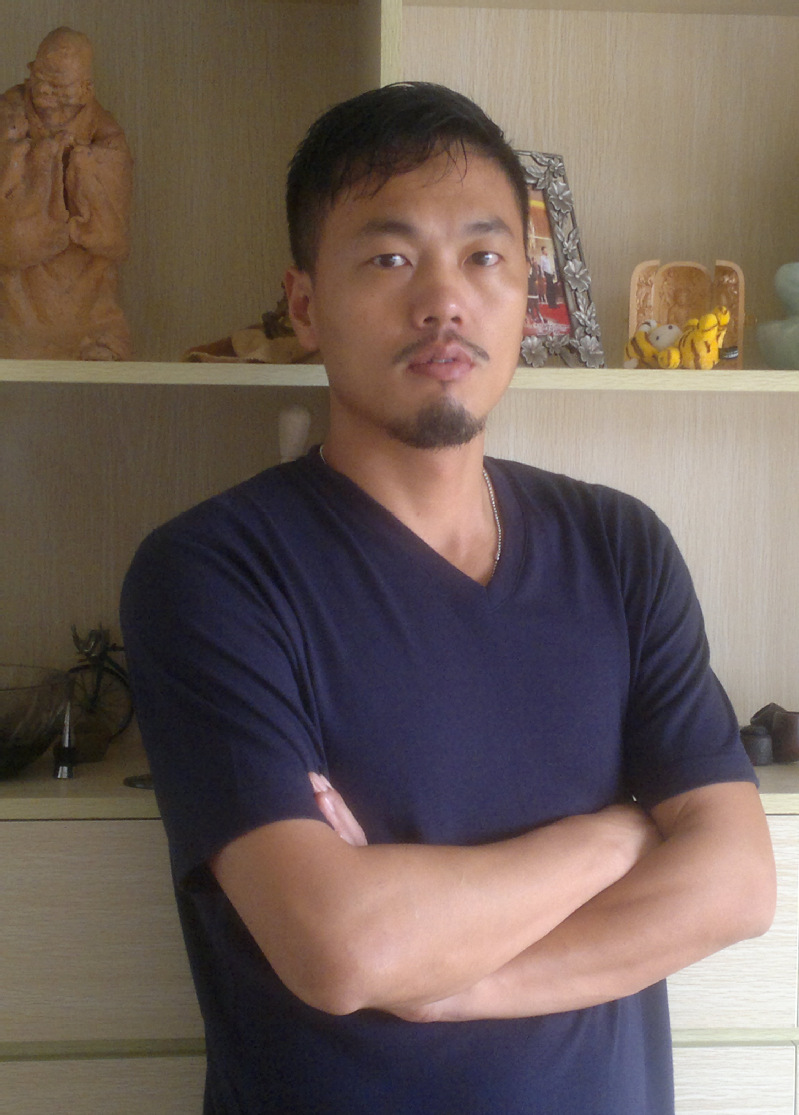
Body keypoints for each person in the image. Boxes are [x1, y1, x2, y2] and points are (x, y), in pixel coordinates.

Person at [120, 82, 775, 1114]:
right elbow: (342, 944)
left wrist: (458, 985)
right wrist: (616, 836)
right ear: (304, 305)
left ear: (526, 293)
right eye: (390, 259)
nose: (444, 301)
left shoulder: (619, 547)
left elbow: (736, 883)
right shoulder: (212, 573)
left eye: (483, 257)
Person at [0, 27, 133, 360]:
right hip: (23, 273)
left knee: (97, 283)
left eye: (59, 87)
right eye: (40, 80)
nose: (47, 93)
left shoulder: (101, 124)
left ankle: (97, 341)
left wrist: (83, 164)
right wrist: (35, 155)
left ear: (86, 89)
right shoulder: (10, 112)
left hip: (81, 261)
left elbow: (116, 168)